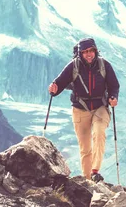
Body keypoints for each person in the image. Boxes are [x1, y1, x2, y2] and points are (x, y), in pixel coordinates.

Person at [48, 37, 120, 183]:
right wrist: (54, 89)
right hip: (80, 109)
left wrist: (113, 97)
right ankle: (88, 182)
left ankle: (95, 171)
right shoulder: (73, 66)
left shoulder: (104, 65)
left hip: (100, 106)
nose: (89, 54)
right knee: (85, 147)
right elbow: (60, 82)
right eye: (85, 52)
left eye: (91, 51)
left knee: (99, 132)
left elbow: (114, 85)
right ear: (80, 53)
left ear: (95, 51)